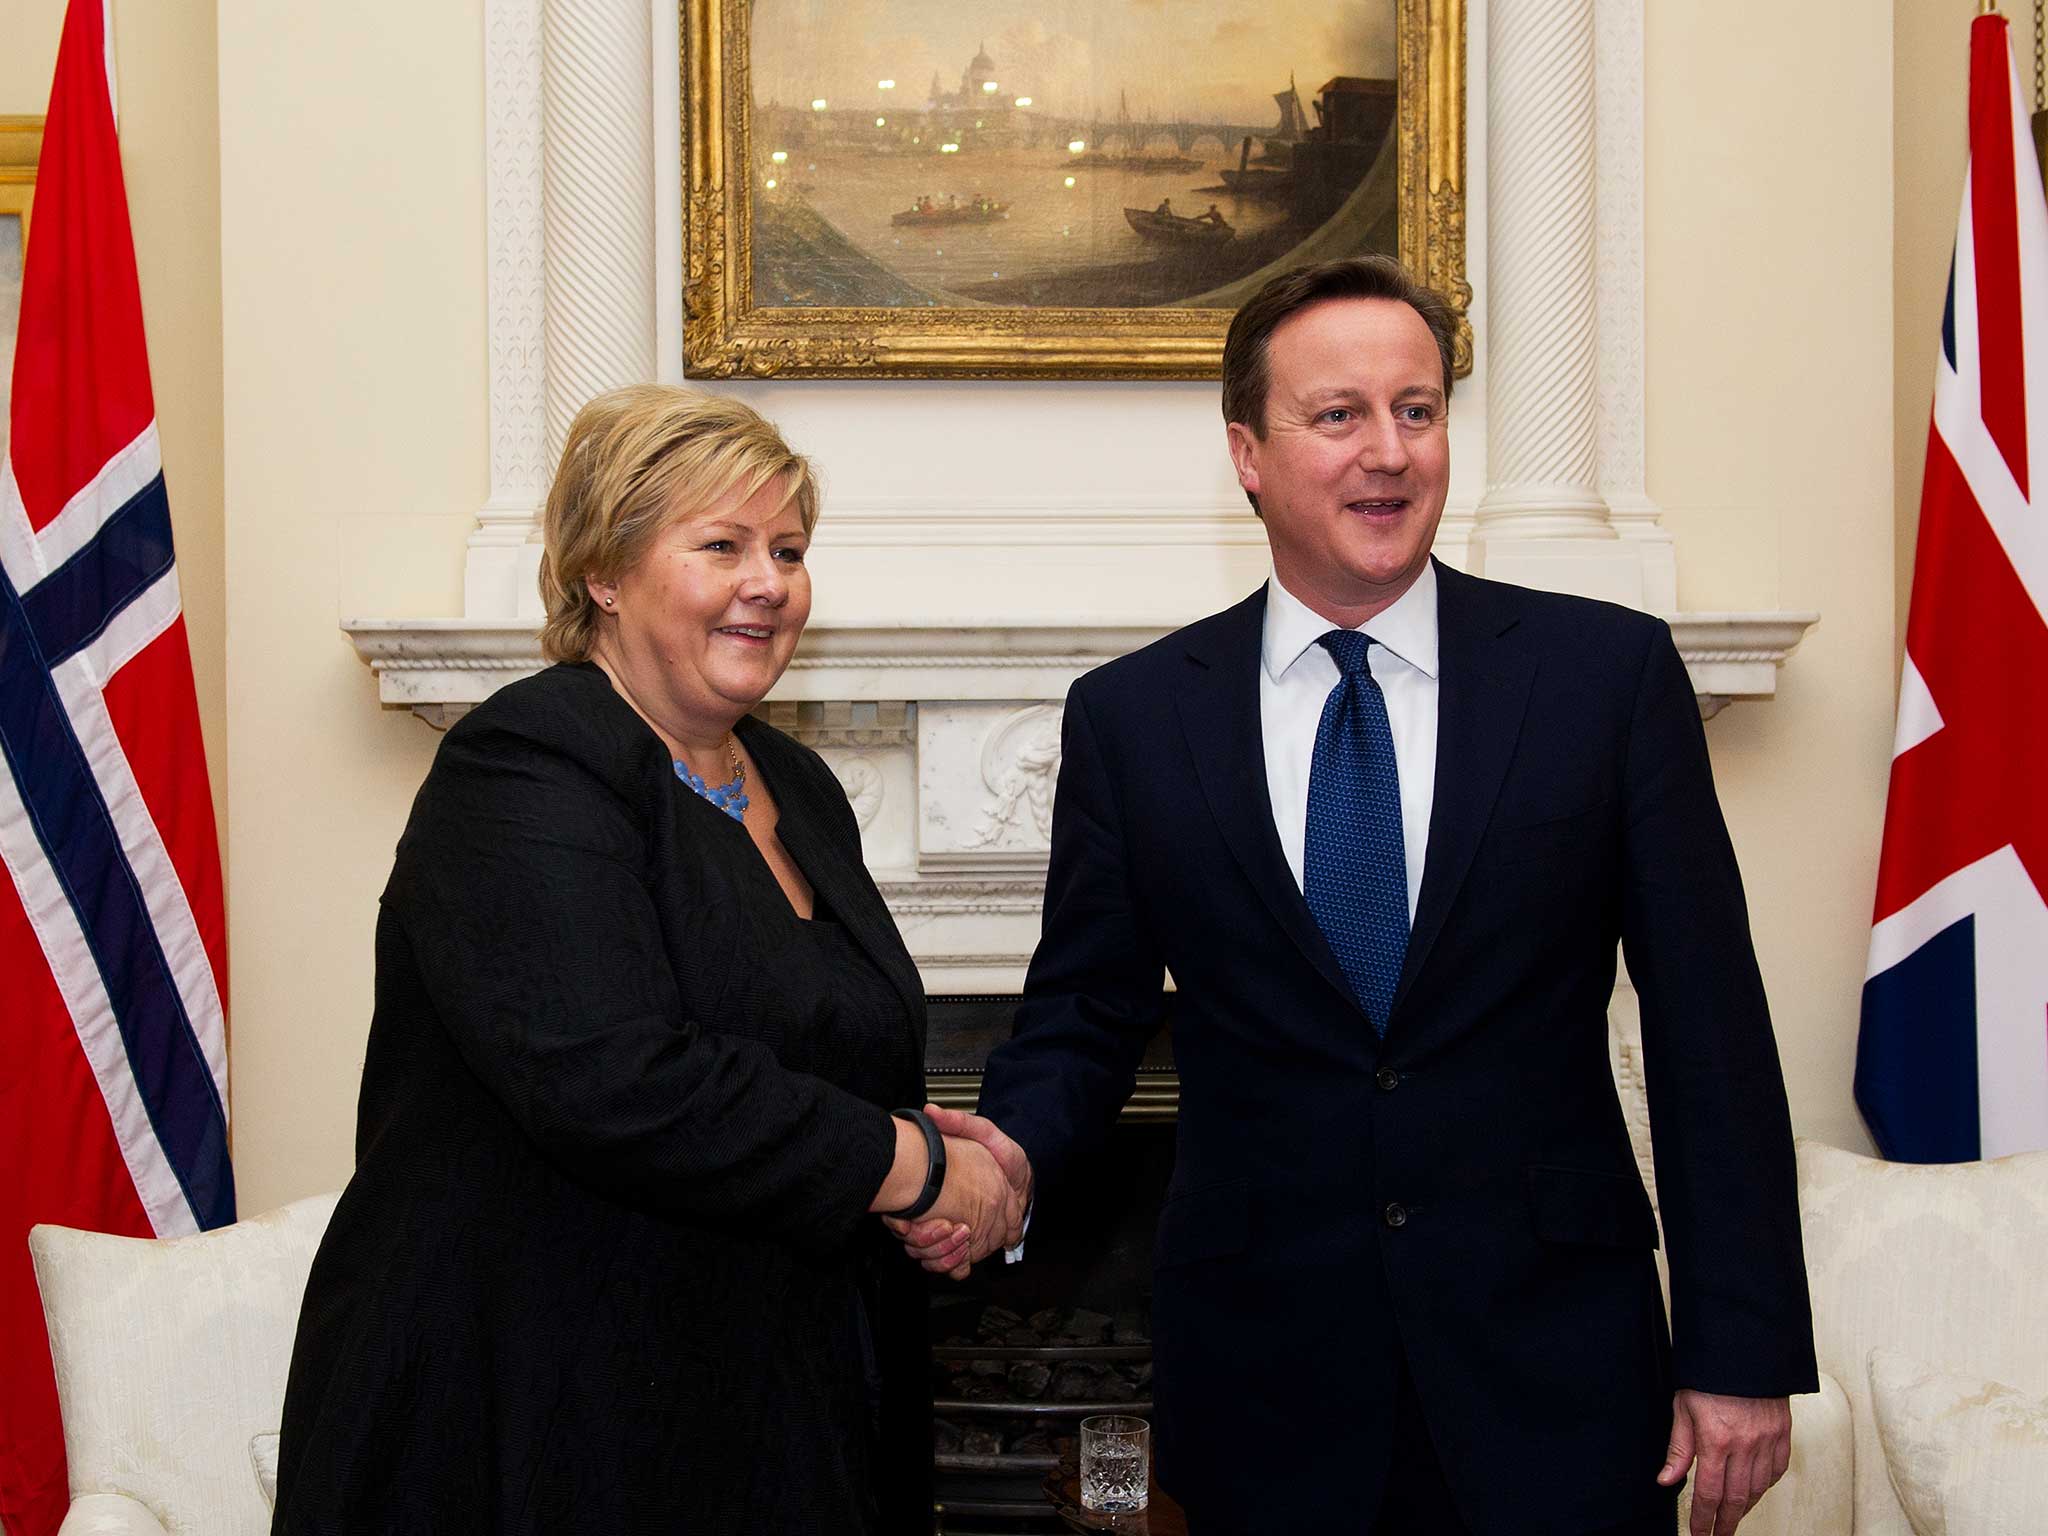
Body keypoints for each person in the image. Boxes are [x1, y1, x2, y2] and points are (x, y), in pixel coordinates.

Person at [898, 257, 1817, 1536]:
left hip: (1555, 1366)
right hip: (1266, 1382)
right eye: (1337, 415)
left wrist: (1739, 1347)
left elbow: (1710, 1034)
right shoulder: (1137, 718)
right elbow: (1082, 1020)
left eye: (1418, 410)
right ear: (1248, 454)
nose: (1387, 452)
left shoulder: (1600, 678)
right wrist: (997, 1159)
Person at [272, 385, 1024, 1534]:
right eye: (719, 545)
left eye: (787, 548)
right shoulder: (524, 762)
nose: (766, 582)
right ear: (603, 573)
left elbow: (796, 1040)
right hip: (538, 1400)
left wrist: (933, 1144)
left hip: (764, 1393)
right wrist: (905, 1165)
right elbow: (616, 1075)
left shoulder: (801, 787)